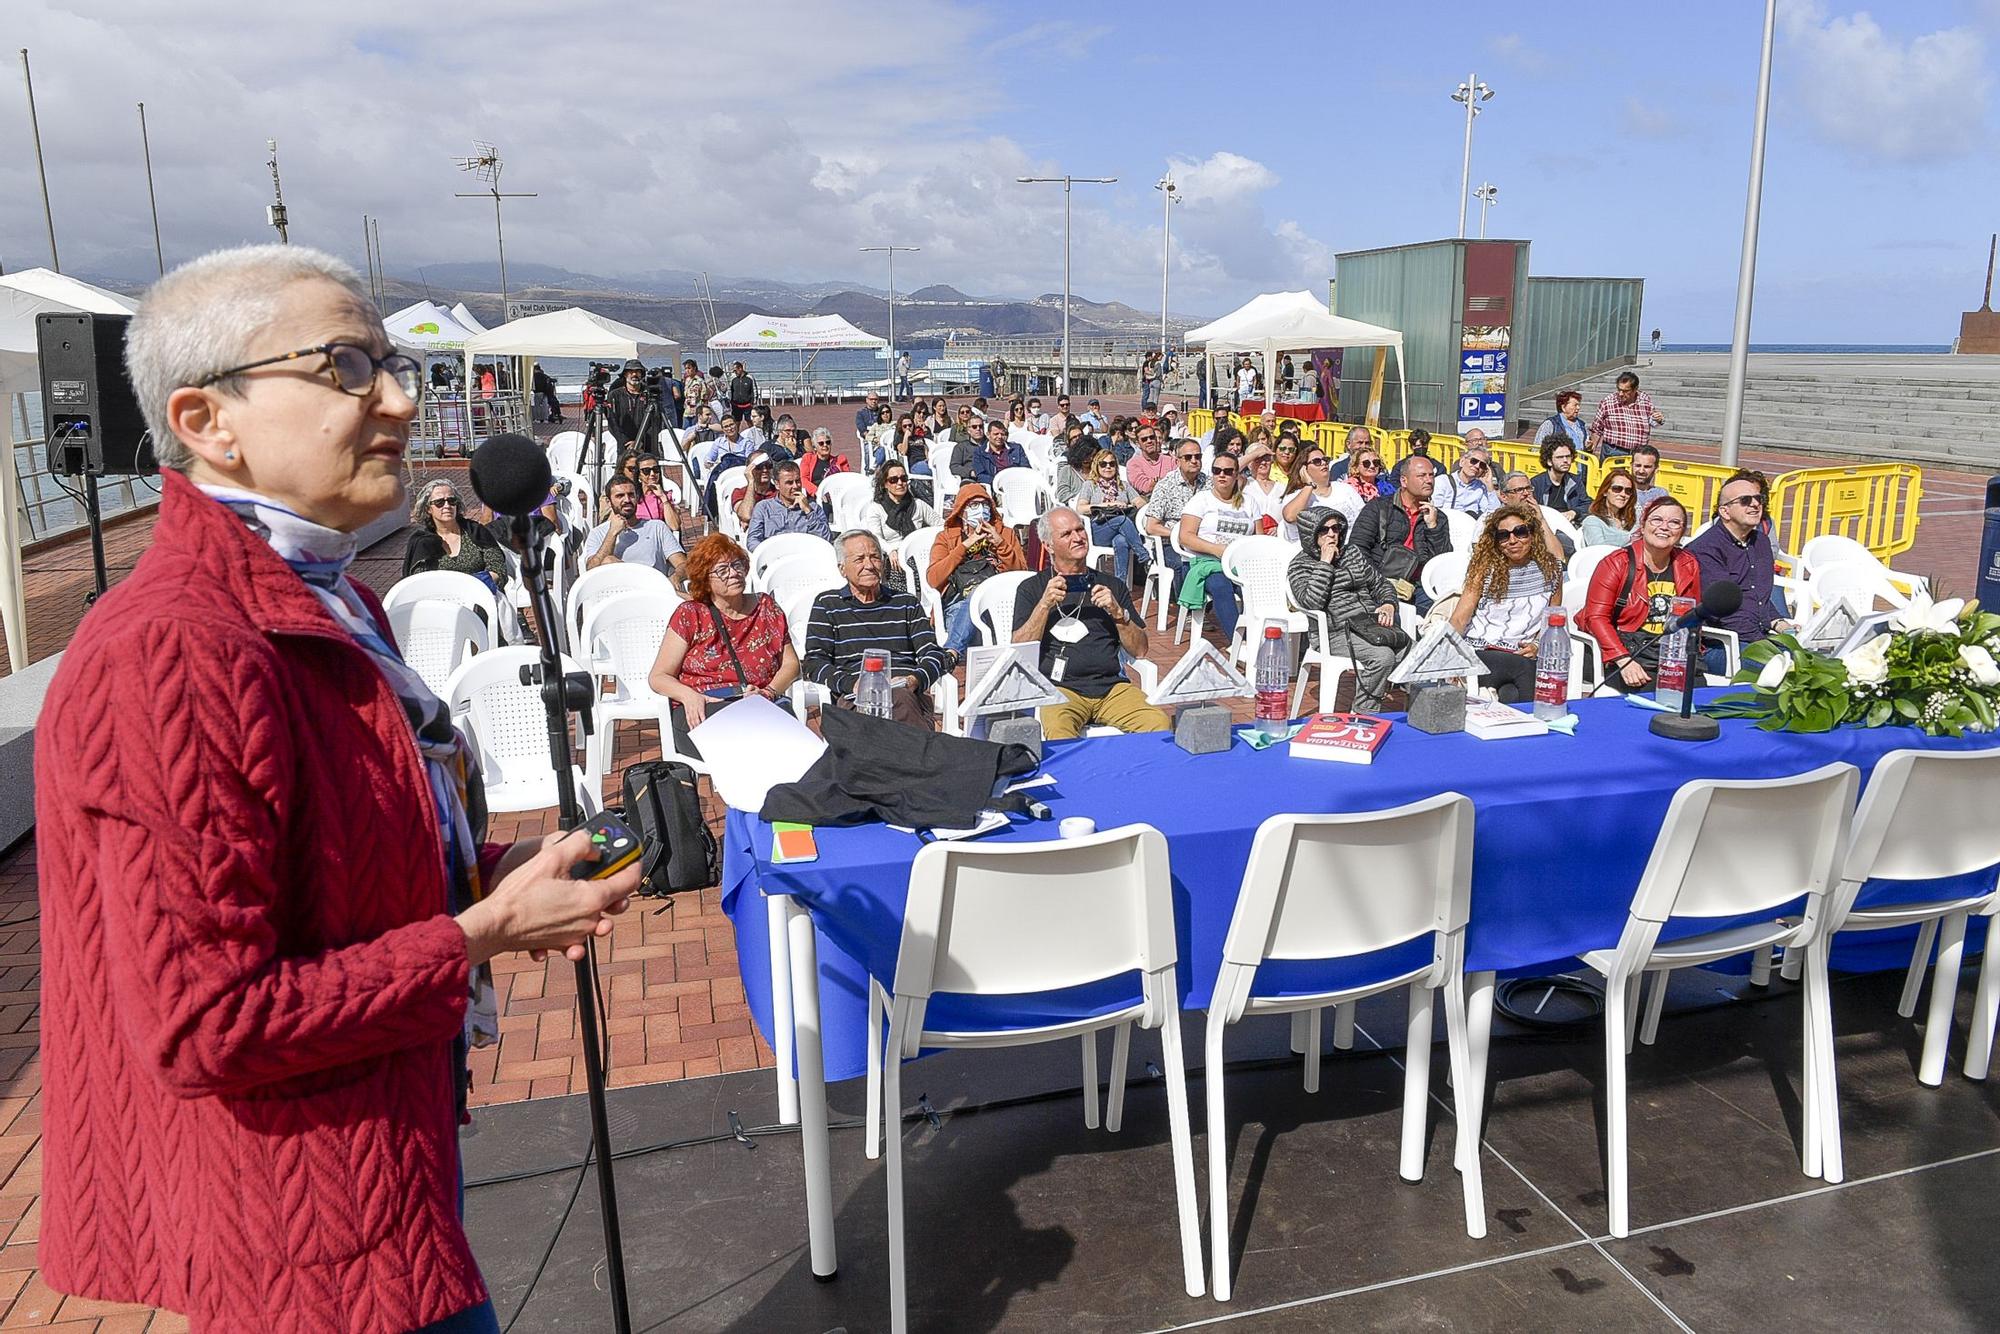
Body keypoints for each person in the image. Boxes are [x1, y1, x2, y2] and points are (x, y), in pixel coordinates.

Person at [38, 243, 640, 1332]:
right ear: (206, 418)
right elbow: (207, 1020)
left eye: (390, 361)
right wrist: (478, 934)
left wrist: (495, 873)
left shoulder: (319, 592)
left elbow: (328, 857)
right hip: (303, 1244)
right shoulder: (177, 650)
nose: (402, 400)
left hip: (381, 1178)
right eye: (345, 367)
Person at [1012, 508, 1169, 738]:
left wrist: (1118, 613)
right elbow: (1018, 648)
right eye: (1067, 534)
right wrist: (1044, 606)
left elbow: (1141, 649)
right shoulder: (1032, 589)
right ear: (1049, 546)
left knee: (1159, 722)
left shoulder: (1112, 586)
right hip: (1060, 689)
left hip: (1112, 688)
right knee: (1059, 732)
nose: (1078, 537)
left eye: (1080, 529)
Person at [647, 534, 799, 753]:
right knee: (756, 742)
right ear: (704, 579)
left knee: (789, 741)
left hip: (758, 703)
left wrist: (768, 692)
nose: (733, 573)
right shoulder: (691, 615)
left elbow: (791, 664)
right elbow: (658, 677)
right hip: (704, 707)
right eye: (722, 570)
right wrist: (689, 696)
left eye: (737, 565)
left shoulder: (766, 607)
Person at [805, 530, 954, 726]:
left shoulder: (905, 603)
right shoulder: (828, 604)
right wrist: (852, 684)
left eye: (875, 557)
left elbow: (933, 654)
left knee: (898, 699)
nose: (869, 565)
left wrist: (914, 679)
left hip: (906, 695)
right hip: (856, 699)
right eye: (859, 559)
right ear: (842, 569)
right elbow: (814, 662)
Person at [1578, 496, 1702, 693]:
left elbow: (1693, 615)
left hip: (1670, 650)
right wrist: (1623, 659)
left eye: (1674, 522)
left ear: (1681, 533)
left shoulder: (1688, 564)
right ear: (1642, 526)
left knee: (1698, 688)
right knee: (1657, 689)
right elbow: (1596, 617)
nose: (1665, 527)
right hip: (1625, 648)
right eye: (1657, 520)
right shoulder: (1616, 563)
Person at [1287, 508, 1402, 711]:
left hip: (1370, 625)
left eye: (1336, 528)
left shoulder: (1352, 553)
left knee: (1417, 654)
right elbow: (1310, 602)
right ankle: (1363, 714)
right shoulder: (1300, 565)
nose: (1332, 534)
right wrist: (1325, 563)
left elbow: (1380, 583)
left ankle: (1419, 713)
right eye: (1324, 530)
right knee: (1383, 657)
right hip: (1334, 632)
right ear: (1310, 534)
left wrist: (1388, 602)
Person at [1449, 505, 1564, 703]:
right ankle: (1536, 725)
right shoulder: (1485, 571)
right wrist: (1448, 659)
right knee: (1524, 668)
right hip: (1481, 650)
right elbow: (1459, 619)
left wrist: (1536, 645)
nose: (1512, 540)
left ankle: (1515, 727)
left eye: (1520, 532)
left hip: (1522, 652)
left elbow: (1552, 619)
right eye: (1503, 535)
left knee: (1511, 693)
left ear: (1532, 534)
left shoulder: (1552, 570)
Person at [1685, 469, 1796, 666]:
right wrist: (1766, 645)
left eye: (1758, 498)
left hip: (1757, 637)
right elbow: (1724, 612)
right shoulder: (1706, 549)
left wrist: (1779, 622)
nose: (1755, 504)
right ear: (1725, 511)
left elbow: (1756, 597)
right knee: (1785, 668)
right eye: (1745, 500)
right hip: (1720, 644)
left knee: (1820, 664)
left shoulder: (1760, 542)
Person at [928, 482, 1027, 653]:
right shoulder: (946, 538)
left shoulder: (1005, 533)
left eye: (984, 504)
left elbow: (1022, 574)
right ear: (961, 510)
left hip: (999, 601)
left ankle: (951, 653)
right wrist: (965, 545)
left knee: (983, 597)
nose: (981, 509)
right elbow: (933, 579)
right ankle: (954, 654)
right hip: (958, 600)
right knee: (975, 599)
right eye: (974, 505)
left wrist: (1000, 544)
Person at [1176, 448, 1258, 642]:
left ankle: (1260, 637)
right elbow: (1185, 537)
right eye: (1217, 470)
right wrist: (1218, 550)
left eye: (1228, 471)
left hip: (1241, 564)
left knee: (1257, 589)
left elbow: (1258, 538)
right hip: (1207, 562)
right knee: (1221, 586)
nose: (1222, 475)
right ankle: (1240, 643)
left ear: (1236, 474)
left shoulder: (1249, 502)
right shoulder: (1201, 500)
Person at [1352, 454, 1452, 612]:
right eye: (1421, 476)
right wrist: (1381, 583)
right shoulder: (1379, 507)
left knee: (1438, 616)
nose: (1429, 480)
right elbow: (1357, 548)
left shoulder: (1438, 517)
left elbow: (1441, 562)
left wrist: (1433, 527)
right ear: (1404, 481)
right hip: (1379, 580)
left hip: (1419, 586)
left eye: (1431, 475)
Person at [402, 479, 510, 592]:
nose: (447, 505)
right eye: (439, 502)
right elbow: (418, 581)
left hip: (480, 595)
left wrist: (473, 585)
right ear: (428, 509)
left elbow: (498, 567)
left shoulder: (476, 532)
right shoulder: (422, 542)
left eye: (452, 500)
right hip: (439, 600)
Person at [585, 474, 688, 583]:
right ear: (609, 501)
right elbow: (592, 571)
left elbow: (683, 564)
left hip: (655, 589)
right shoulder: (598, 533)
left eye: (631, 495)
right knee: (608, 561)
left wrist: (676, 577)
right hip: (617, 594)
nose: (627, 500)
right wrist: (612, 533)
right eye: (620, 496)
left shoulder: (657, 527)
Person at [1070, 447, 1146, 584]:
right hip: (1098, 528)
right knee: (1121, 519)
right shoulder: (1090, 485)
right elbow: (1080, 509)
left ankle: (1119, 585)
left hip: (1120, 530)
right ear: (1097, 466)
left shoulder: (1123, 485)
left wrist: (1128, 506)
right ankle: (1142, 554)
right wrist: (1106, 506)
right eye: (1103, 464)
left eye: (1111, 464)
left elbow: (1140, 502)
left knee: (1121, 541)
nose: (1108, 467)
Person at [1142, 438, 1208, 598]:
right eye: (1188, 457)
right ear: (1177, 461)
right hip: (1170, 543)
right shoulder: (1166, 486)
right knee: (1184, 564)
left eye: (1198, 456)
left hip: (1203, 540)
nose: (1194, 461)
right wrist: (1181, 535)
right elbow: (1151, 526)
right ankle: (1188, 610)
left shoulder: (1209, 483)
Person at [859, 459, 939, 584]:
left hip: (918, 553)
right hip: (893, 555)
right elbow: (876, 538)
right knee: (897, 567)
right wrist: (890, 550)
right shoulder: (876, 509)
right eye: (893, 480)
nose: (900, 483)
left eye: (903, 478)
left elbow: (940, 525)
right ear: (885, 484)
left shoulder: (918, 505)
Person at [746, 459, 833, 550]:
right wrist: (769, 553)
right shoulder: (764, 508)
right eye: (789, 483)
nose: (795, 486)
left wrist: (808, 511)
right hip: (775, 557)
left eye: (798, 481)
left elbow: (826, 540)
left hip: (806, 556)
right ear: (777, 484)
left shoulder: (813, 508)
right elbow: (752, 541)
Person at [1586, 370, 1665, 458]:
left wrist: (1658, 419)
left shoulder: (1644, 400)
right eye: (1619, 389)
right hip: (1614, 452)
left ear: (1635, 389)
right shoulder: (1608, 402)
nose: (1620, 394)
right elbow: (1597, 429)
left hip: (1638, 454)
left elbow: (1652, 422)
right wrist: (1591, 451)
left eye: (1625, 391)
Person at [1497, 471, 1572, 561]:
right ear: (1503, 497)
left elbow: (1559, 558)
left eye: (1528, 488)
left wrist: (1540, 520)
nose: (1526, 493)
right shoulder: (1490, 521)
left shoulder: (1548, 514)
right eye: (1519, 490)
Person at [1434, 440, 1501, 517]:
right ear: (1462, 461)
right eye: (1474, 461)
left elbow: (1493, 514)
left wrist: (1489, 486)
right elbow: (1435, 511)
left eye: (1482, 465)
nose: (1477, 466)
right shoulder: (1442, 482)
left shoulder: (1481, 488)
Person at [1531, 437, 1591, 522]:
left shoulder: (1575, 481)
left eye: (1568, 456)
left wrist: (1574, 512)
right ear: (1549, 461)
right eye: (1560, 457)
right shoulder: (1536, 483)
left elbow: (1588, 504)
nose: (1565, 460)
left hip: (1571, 525)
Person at [956, 418, 1029, 486]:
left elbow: (1026, 469)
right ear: (988, 435)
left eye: (1002, 434)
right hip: (994, 486)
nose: (1000, 437)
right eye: (996, 434)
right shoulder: (979, 452)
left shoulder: (1016, 449)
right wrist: (999, 482)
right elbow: (981, 475)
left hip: (1018, 484)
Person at [1581, 467, 1640, 547]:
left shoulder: (1633, 518)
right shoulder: (1592, 522)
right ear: (1605, 491)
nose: (1623, 494)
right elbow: (1598, 551)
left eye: (1628, 491)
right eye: (1617, 489)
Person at [607, 358, 658, 448]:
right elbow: (612, 423)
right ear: (625, 374)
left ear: (642, 374)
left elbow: (656, 421)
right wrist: (625, 441)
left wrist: (640, 441)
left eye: (638, 371)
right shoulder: (615, 395)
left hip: (647, 445)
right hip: (625, 446)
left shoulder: (650, 394)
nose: (634, 374)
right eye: (631, 371)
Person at [1239, 440, 1287, 533]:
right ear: (1249, 463)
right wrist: (1255, 453)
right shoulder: (1244, 483)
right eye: (1258, 459)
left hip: (1276, 539)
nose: (1263, 462)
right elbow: (1230, 468)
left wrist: (1280, 529)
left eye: (1267, 458)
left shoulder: (1282, 487)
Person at [631, 452, 684, 528]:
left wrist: (663, 498)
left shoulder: (665, 496)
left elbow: (674, 526)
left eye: (655, 469)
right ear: (639, 475)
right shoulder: (632, 497)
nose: (652, 474)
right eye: (646, 471)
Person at [799, 426, 852, 498]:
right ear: (815, 446)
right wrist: (817, 492)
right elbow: (803, 479)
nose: (825, 445)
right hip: (816, 495)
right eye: (821, 443)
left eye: (828, 442)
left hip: (836, 496)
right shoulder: (808, 458)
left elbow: (846, 479)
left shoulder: (840, 460)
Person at [1125, 422, 1173, 498]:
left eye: (1152, 437)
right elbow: (1145, 487)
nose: (1149, 441)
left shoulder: (1171, 461)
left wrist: (1156, 482)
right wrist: (1167, 481)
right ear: (1138, 444)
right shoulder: (1133, 464)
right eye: (1144, 439)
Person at [1534, 389, 1588, 457]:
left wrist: (1589, 447)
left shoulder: (1582, 425)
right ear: (1563, 407)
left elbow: (1586, 450)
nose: (1578, 408)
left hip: (1579, 466)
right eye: (1575, 405)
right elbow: (1537, 449)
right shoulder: (1550, 424)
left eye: (1579, 405)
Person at [1628, 444, 1668, 510]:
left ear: (1656, 469)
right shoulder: (1622, 491)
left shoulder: (1661, 494)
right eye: (1638, 465)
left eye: (1647, 467)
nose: (1641, 471)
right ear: (1631, 465)